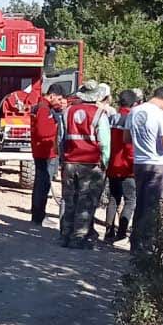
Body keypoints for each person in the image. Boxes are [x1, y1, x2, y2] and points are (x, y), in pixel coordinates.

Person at [59, 81, 111, 249]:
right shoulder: (99, 115)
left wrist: (62, 159)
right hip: (91, 164)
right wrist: (105, 162)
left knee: (69, 199)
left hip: (69, 162)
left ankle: (65, 235)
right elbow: (104, 143)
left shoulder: (67, 113)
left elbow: (60, 139)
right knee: (86, 202)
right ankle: (79, 238)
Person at [125, 87, 163, 252]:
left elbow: (126, 138)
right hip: (156, 164)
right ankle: (146, 245)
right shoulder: (161, 115)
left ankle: (135, 241)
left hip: (139, 163)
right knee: (152, 206)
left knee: (140, 202)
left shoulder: (133, 112)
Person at [104, 89, 138, 243]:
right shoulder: (131, 119)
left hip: (111, 165)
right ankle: (122, 233)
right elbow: (130, 147)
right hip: (126, 168)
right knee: (130, 200)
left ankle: (109, 231)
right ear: (134, 103)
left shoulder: (111, 118)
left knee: (113, 198)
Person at [28, 88, 65, 225]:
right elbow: (43, 132)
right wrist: (57, 132)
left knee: (42, 184)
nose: (60, 102)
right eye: (59, 99)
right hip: (44, 152)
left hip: (42, 151)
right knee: (42, 185)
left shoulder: (44, 107)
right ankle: (39, 217)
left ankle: (38, 216)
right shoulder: (44, 109)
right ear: (52, 95)